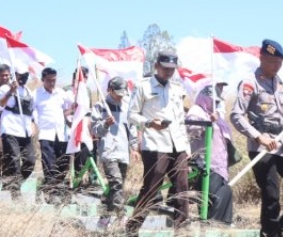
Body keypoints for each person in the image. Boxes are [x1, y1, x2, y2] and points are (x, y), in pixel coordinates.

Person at [230, 39, 283, 237]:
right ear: (262, 58)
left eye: (280, 63)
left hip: (282, 143)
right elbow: (236, 115)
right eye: (273, 62)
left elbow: (280, 118)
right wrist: (259, 138)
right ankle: (270, 232)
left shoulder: (279, 83)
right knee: (271, 195)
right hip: (261, 147)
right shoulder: (250, 82)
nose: (278, 66)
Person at [126, 50, 191, 235]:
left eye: (172, 69)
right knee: (152, 188)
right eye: (165, 68)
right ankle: (133, 227)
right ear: (157, 66)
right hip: (155, 144)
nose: (169, 72)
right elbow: (131, 114)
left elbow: (180, 120)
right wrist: (149, 123)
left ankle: (181, 228)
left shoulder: (177, 88)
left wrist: (186, 147)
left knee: (182, 186)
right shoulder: (143, 86)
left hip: (177, 145)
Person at [91, 76, 139, 229]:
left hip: (123, 153)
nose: (120, 96)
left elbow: (131, 128)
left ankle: (104, 218)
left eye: (122, 93)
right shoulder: (100, 107)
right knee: (117, 183)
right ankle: (122, 215)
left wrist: (134, 147)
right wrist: (105, 124)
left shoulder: (126, 107)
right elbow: (94, 130)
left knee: (116, 188)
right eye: (117, 93)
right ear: (110, 90)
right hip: (108, 152)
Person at [186, 85, 234, 225]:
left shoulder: (214, 113)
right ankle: (210, 227)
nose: (215, 104)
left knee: (225, 192)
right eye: (213, 101)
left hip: (219, 164)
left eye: (217, 102)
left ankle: (221, 225)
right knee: (211, 198)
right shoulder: (197, 111)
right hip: (205, 162)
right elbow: (191, 131)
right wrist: (208, 122)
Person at [0, 63, 36, 197]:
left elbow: (32, 110)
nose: (22, 78)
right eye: (20, 76)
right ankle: (15, 193)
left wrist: (33, 124)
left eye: (25, 76)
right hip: (10, 129)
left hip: (25, 131)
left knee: (30, 161)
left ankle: (15, 183)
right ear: (15, 75)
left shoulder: (28, 91)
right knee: (14, 160)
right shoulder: (5, 88)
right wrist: (10, 92)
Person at [33, 67, 74, 202]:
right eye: (49, 80)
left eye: (54, 80)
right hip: (46, 133)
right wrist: (36, 124)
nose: (52, 83)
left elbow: (66, 111)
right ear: (43, 79)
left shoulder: (61, 93)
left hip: (61, 133)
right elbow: (33, 112)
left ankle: (54, 186)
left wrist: (73, 109)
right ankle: (52, 193)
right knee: (49, 163)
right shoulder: (36, 94)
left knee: (63, 162)